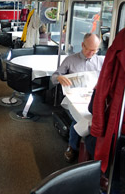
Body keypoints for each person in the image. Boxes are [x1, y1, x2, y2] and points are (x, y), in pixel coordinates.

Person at [51, 33, 104, 162]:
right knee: (81, 119)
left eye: (94, 50)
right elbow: (53, 78)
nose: (91, 53)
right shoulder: (70, 60)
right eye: (88, 49)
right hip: (73, 99)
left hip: (92, 98)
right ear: (82, 45)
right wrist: (59, 77)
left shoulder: (101, 61)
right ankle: (72, 146)